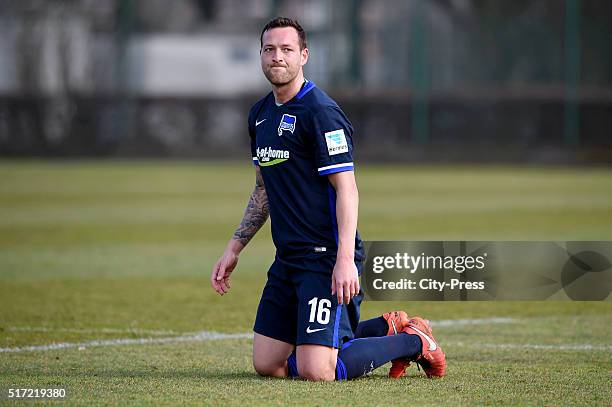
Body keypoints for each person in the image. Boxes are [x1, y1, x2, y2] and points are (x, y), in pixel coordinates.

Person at [211, 17, 446, 381]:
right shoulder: (260, 115)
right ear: (260, 55)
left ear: (303, 55)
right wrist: (234, 246)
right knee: (268, 364)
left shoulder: (321, 113)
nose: (277, 57)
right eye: (270, 49)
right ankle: (385, 327)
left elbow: (346, 189)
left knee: (317, 370)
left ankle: (413, 341)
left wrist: (344, 260)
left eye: (287, 49)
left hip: (325, 258)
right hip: (288, 257)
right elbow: (263, 189)